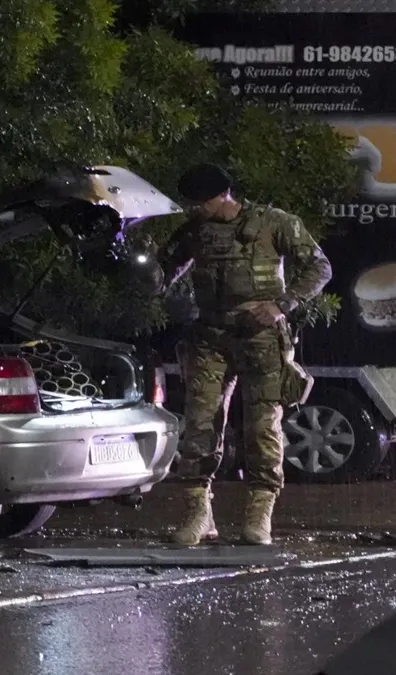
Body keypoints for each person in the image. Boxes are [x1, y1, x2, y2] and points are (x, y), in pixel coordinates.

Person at [145, 163, 332, 546]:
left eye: (200, 202)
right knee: (199, 426)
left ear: (222, 195)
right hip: (210, 337)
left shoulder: (273, 222)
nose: (194, 209)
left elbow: (319, 266)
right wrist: (144, 268)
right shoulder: (196, 231)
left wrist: (283, 304)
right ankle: (199, 514)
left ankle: (259, 514)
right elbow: (164, 274)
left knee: (263, 428)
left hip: (261, 337)